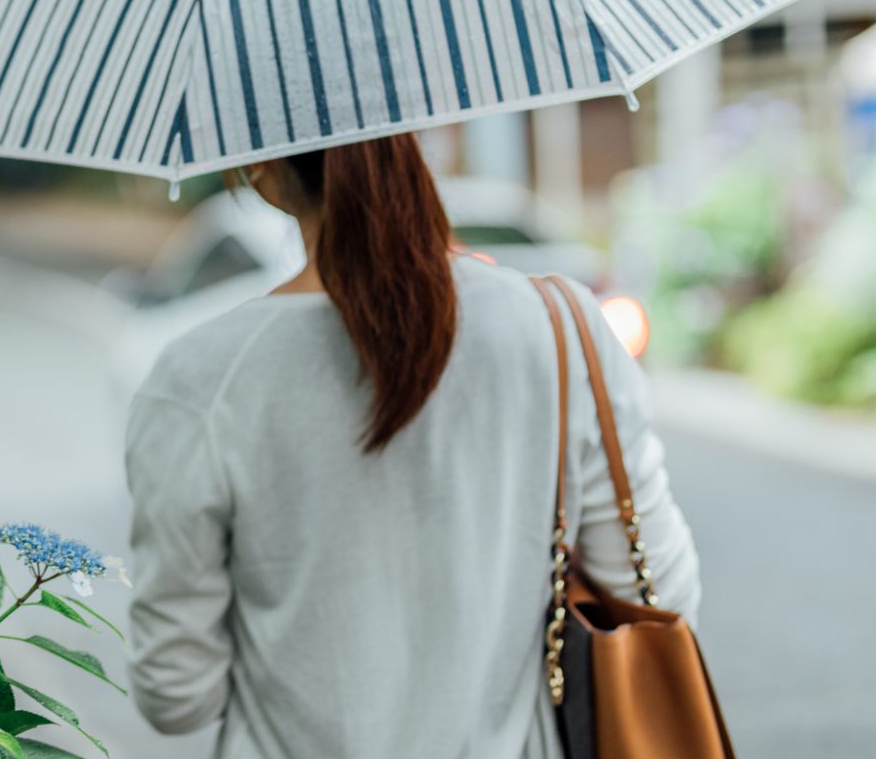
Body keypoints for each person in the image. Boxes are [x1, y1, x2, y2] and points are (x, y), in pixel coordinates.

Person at [124, 133, 700, 759]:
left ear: (261, 167)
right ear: (417, 140)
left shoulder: (199, 378)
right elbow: (659, 597)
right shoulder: (558, 327)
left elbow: (177, 696)